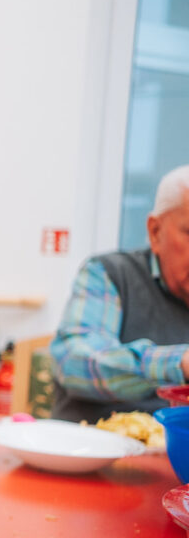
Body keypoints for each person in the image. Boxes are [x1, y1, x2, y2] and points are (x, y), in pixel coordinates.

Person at [51, 164, 189, 423]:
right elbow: (74, 362)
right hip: (92, 454)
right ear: (155, 232)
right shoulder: (108, 274)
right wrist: (178, 362)